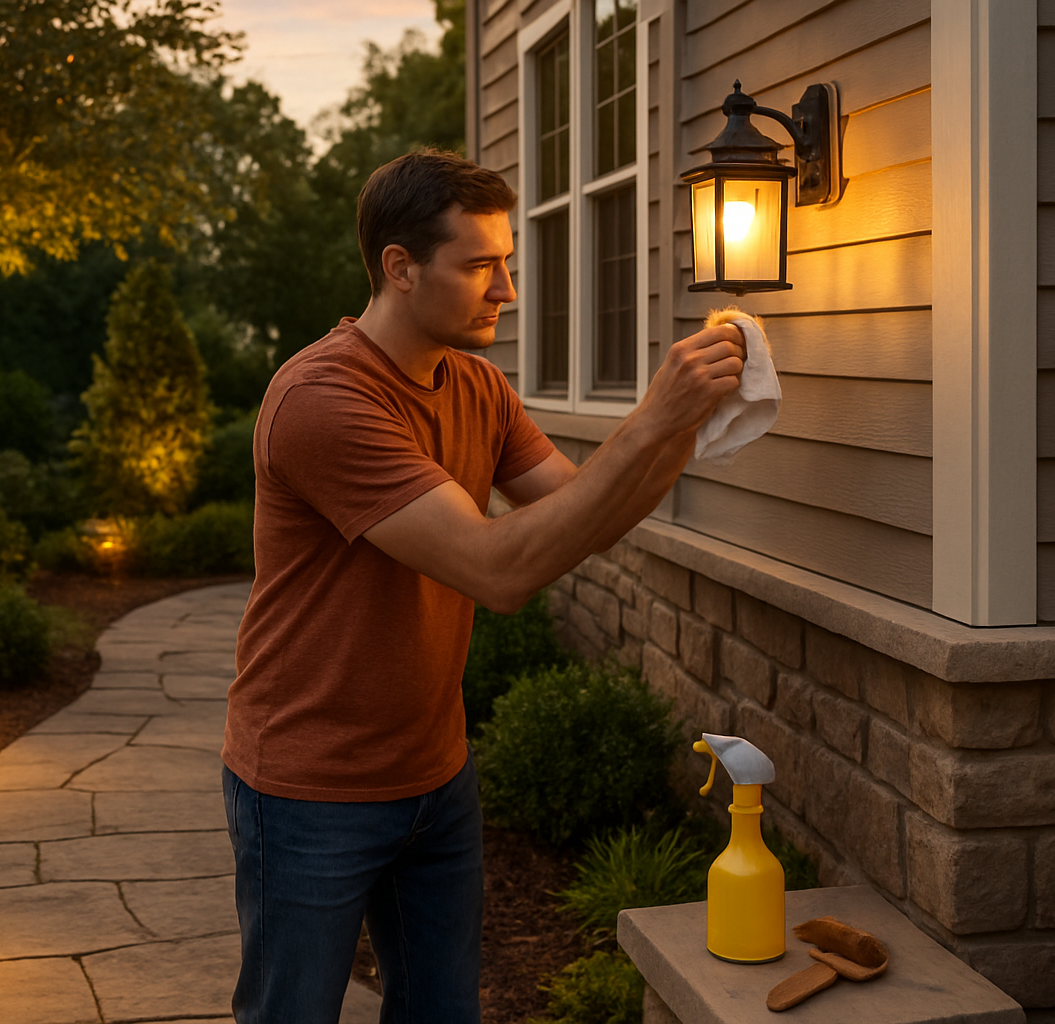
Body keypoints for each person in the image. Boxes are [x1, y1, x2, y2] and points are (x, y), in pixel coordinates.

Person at [221, 148, 744, 1023]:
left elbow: (585, 511)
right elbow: (501, 571)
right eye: (479, 266)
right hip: (309, 790)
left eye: (508, 262)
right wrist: (651, 414)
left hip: (435, 774)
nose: (507, 287)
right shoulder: (325, 400)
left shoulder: (476, 386)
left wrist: (682, 428)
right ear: (400, 267)